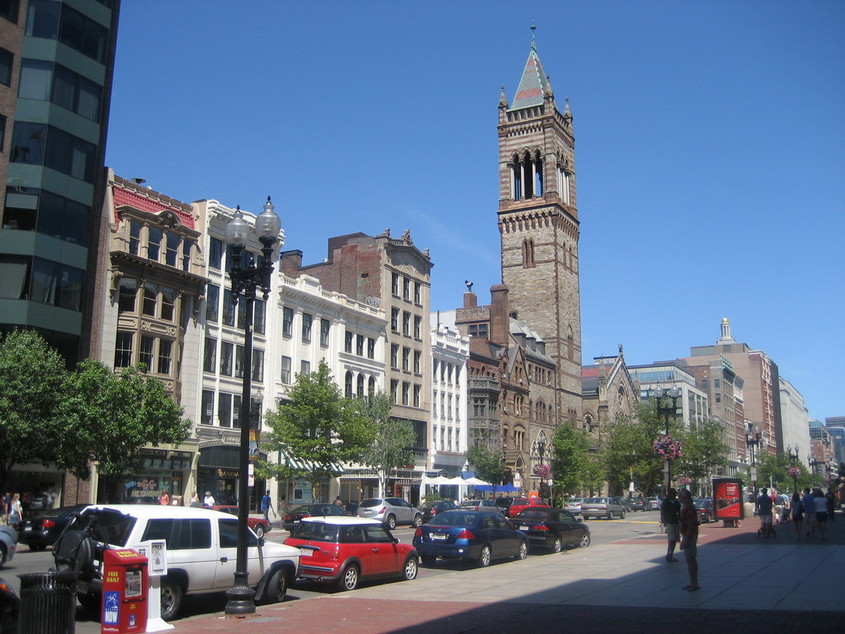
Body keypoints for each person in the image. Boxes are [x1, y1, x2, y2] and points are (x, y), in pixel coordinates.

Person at [678, 489, 700, 591]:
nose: (678, 497)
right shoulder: (686, 507)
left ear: (684, 497)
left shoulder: (689, 507)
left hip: (690, 535)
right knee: (689, 559)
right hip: (688, 534)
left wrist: (686, 538)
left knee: (690, 558)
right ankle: (692, 582)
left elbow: (691, 523)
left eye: (680, 496)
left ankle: (694, 583)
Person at [660, 488, 680, 562]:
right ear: (670, 494)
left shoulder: (676, 502)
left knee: (674, 540)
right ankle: (669, 555)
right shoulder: (665, 502)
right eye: (673, 493)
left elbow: (679, 512)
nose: (675, 495)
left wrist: (681, 521)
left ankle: (671, 554)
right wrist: (664, 521)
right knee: (671, 539)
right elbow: (662, 512)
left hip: (675, 522)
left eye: (675, 494)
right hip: (669, 523)